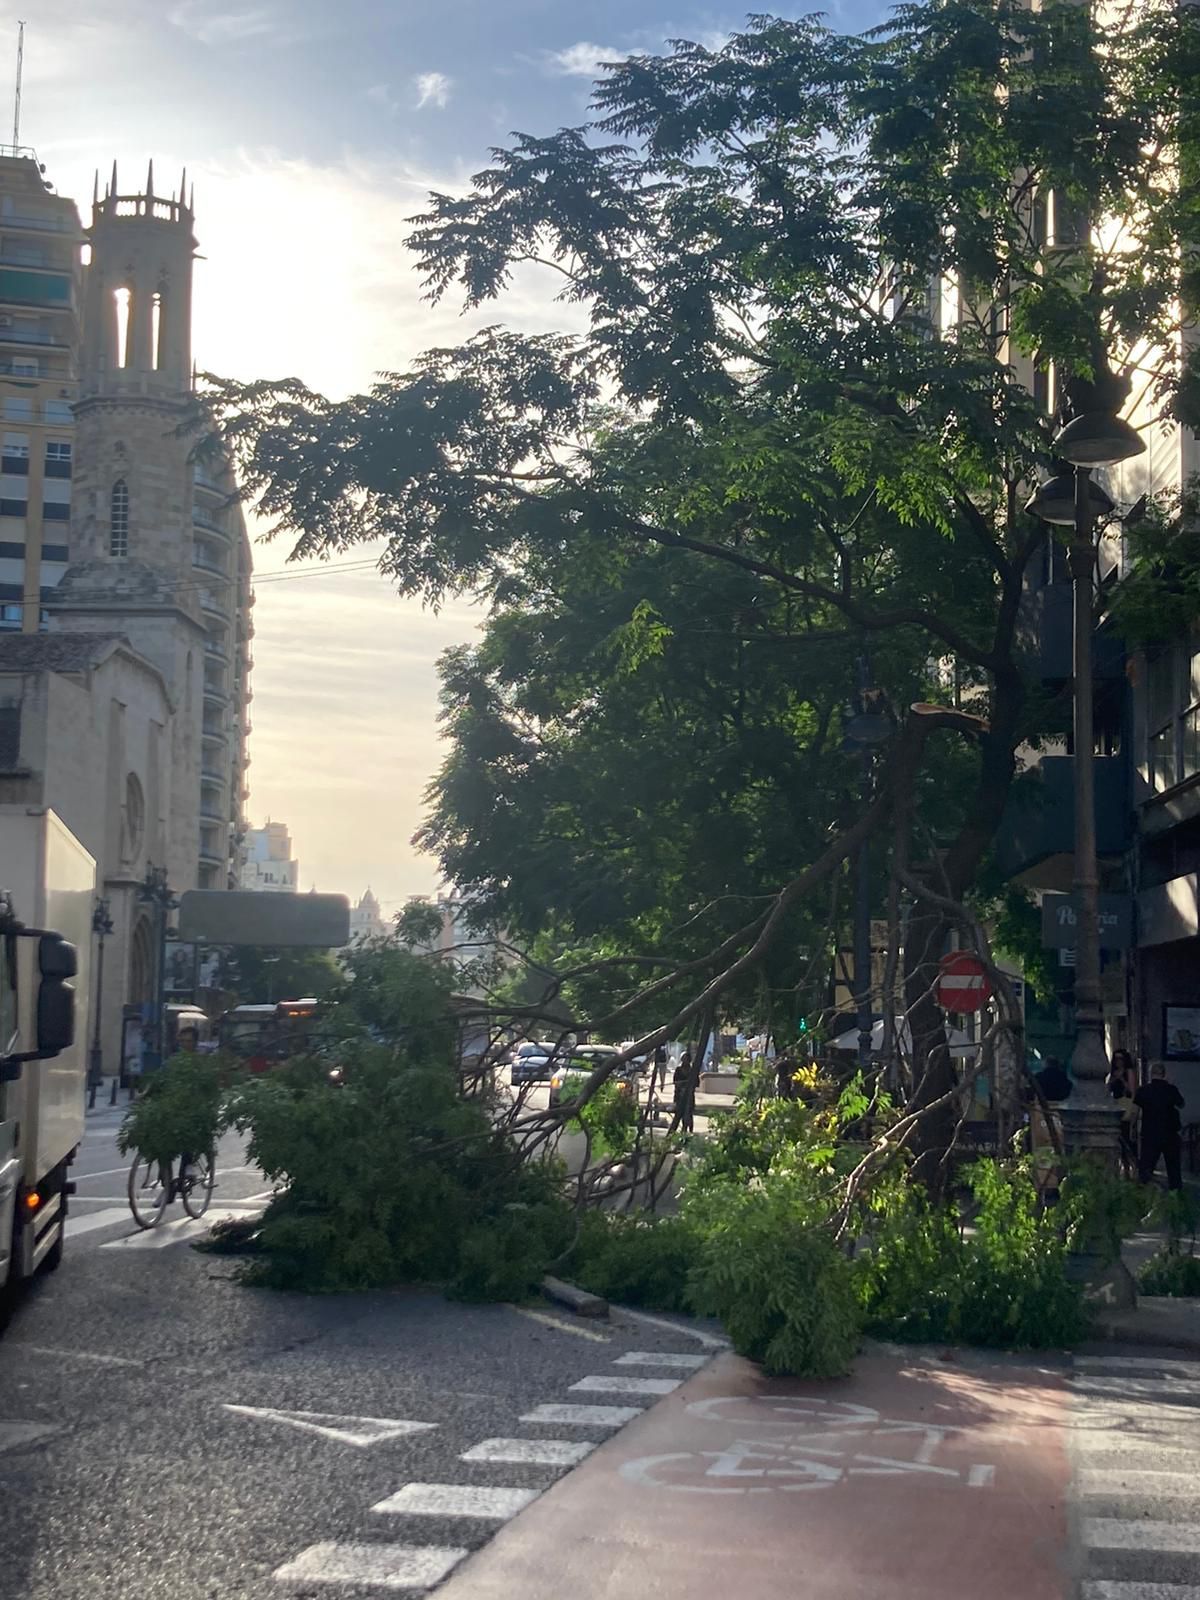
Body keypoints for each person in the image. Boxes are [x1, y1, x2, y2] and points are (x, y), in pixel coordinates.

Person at [1135, 1062, 1186, 1189]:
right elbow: (1181, 1104)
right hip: (1170, 1134)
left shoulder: (1143, 1091)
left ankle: (1143, 1196)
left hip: (1150, 1134)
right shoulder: (1171, 1089)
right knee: (1174, 1170)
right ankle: (1177, 1198)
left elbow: (1135, 1111)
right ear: (1164, 1074)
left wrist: (1133, 1127)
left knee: (1146, 1168)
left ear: (1151, 1074)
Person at [1107, 1048, 1139, 1179]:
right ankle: (1124, 1168)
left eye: (1121, 1059)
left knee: (1126, 1136)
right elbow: (1108, 1088)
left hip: (1125, 1105)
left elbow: (1132, 1091)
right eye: (1116, 1059)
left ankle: (1132, 1167)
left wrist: (1122, 1080)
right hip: (1115, 1104)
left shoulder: (1128, 1072)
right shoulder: (1113, 1073)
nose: (1118, 1062)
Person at [673, 1048, 697, 1133]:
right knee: (679, 1114)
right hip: (680, 1095)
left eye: (687, 1059)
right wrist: (681, 1086)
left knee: (689, 1115)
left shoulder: (692, 1071)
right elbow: (675, 1082)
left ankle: (690, 1131)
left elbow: (697, 1083)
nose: (685, 1061)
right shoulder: (678, 1070)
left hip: (689, 1096)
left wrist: (690, 1085)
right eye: (683, 1059)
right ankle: (678, 1131)